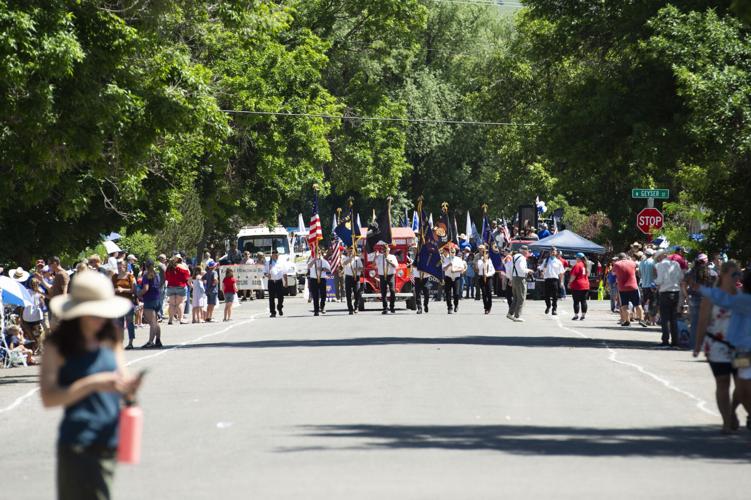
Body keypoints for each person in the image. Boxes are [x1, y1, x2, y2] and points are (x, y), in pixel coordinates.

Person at [40, 271, 142, 500]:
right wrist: (92, 384)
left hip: (110, 439)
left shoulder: (112, 335)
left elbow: (121, 380)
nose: (101, 319)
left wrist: (129, 388)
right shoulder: (58, 345)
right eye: (95, 313)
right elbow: (49, 398)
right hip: (78, 442)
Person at [694, 260, 748, 432]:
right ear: (723, 275)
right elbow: (702, 322)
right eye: (733, 274)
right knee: (722, 381)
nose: (736, 278)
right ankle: (726, 421)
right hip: (716, 346)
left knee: (742, 385)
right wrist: (697, 345)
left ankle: (732, 411)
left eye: (738, 274)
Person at [684, 253, 718, 347]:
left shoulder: (690, 272)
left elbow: (683, 284)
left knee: (694, 322)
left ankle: (693, 344)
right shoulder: (712, 273)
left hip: (694, 298)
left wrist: (686, 296)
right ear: (707, 261)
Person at [654, 250, 683, 347]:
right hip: (676, 292)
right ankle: (675, 341)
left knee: (665, 318)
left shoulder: (659, 265)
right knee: (673, 317)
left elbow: (659, 280)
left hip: (665, 293)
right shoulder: (676, 264)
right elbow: (681, 277)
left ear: (659, 257)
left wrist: (655, 281)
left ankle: (665, 340)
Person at [613, 253, 647, 328]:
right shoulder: (633, 263)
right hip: (633, 286)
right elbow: (636, 270)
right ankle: (641, 320)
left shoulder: (617, 264)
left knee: (624, 305)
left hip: (622, 288)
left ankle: (627, 321)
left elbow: (613, 273)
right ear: (626, 257)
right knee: (638, 304)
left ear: (619, 258)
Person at [111, 260, 137, 350]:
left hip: (128, 302)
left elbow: (133, 290)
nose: (119, 267)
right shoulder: (114, 277)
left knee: (129, 323)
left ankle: (130, 342)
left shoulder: (130, 276)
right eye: (118, 265)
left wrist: (123, 290)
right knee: (119, 324)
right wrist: (114, 290)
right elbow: (110, 288)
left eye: (121, 265)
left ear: (125, 266)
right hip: (118, 303)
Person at [138, 260, 162, 349]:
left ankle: (150, 342)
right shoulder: (157, 275)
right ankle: (158, 340)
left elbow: (146, 288)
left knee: (152, 323)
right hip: (157, 299)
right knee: (155, 322)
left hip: (149, 300)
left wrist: (138, 293)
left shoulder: (146, 275)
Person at [506, 245, 532, 322]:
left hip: (514, 277)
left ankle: (510, 313)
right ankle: (517, 316)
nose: (528, 253)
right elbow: (521, 269)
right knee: (521, 298)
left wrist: (510, 278)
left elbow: (508, 267)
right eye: (527, 251)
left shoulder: (514, 257)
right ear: (524, 251)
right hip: (520, 278)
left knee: (516, 297)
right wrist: (528, 270)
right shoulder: (522, 258)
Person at [371, 245, 398, 315]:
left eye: (386, 250)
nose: (385, 252)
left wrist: (389, 262)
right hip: (382, 276)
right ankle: (385, 308)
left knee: (392, 291)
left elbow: (396, 266)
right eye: (384, 250)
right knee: (383, 292)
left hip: (390, 275)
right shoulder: (379, 257)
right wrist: (375, 256)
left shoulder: (392, 257)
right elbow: (373, 265)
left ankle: (392, 307)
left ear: (389, 250)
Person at [538, 247, 565, 315]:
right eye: (551, 251)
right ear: (549, 253)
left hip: (555, 280)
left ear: (556, 253)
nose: (553, 253)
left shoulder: (558, 262)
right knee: (546, 295)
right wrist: (541, 272)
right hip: (547, 279)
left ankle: (554, 309)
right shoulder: (546, 260)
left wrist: (561, 282)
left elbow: (561, 273)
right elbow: (541, 268)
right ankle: (548, 306)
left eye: (554, 251)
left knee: (555, 296)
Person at [165, 254, 190, 325]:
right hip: (180, 286)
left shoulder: (169, 267)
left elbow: (166, 277)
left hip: (170, 286)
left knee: (172, 304)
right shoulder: (183, 267)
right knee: (180, 303)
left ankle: (170, 320)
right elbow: (187, 277)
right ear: (180, 259)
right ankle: (181, 318)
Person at [307, 247, 330, 316]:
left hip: (322, 279)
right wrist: (314, 260)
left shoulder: (324, 261)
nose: (318, 254)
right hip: (314, 279)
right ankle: (316, 311)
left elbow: (329, 269)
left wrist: (322, 269)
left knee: (323, 295)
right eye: (317, 252)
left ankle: (322, 306)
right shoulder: (311, 259)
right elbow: (308, 266)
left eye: (319, 252)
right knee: (315, 296)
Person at [441, 246, 463, 314]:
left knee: (456, 293)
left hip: (456, 277)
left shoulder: (458, 259)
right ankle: (449, 307)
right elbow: (443, 269)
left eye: (453, 252)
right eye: (451, 252)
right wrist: (448, 265)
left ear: (455, 253)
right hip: (448, 277)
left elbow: (462, 269)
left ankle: (456, 305)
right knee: (448, 293)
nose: (452, 253)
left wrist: (455, 270)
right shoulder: (446, 259)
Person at [342, 247, 363, 315]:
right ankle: (350, 309)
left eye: (352, 251)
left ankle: (356, 307)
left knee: (357, 293)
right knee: (348, 294)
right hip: (348, 277)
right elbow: (344, 264)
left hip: (356, 277)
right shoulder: (345, 258)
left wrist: (357, 269)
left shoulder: (358, 258)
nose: (350, 252)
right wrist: (351, 258)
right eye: (349, 251)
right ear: (347, 251)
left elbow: (361, 268)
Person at [265, 249, 286, 318]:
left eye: (277, 254)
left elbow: (284, 273)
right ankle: (272, 312)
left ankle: (279, 307)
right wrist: (267, 275)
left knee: (281, 297)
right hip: (271, 282)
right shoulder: (268, 263)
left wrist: (286, 282)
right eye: (274, 254)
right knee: (271, 298)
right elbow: (264, 272)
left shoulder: (281, 263)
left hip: (279, 281)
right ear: (272, 255)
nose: (276, 255)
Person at [569, 253, 590, 320]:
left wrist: (569, 283)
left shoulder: (577, 265)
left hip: (577, 285)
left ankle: (576, 315)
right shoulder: (585, 265)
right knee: (583, 301)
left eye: (576, 258)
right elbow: (587, 275)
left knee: (576, 301)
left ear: (578, 258)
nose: (576, 259)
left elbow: (573, 276)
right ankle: (583, 315)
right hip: (585, 285)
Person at [639, 248, 658, 325]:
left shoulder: (641, 263)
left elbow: (639, 274)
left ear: (646, 254)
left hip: (644, 285)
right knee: (652, 302)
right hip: (652, 285)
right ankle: (652, 320)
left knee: (645, 302)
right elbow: (656, 273)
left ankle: (645, 319)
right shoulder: (653, 262)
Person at [476, 245, 495, 314]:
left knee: (489, 293)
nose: (485, 255)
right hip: (482, 277)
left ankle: (489, 306)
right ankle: (485, 308)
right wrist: (483, 262)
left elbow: (493, 270)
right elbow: (480, 269)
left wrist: (488, 274)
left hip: (489, 278)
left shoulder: (490, 261)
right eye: (484, 253)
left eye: (486, 253)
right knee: (484, 293)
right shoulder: (479, 261)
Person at [156, 254, 168, 321]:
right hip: (161, 285)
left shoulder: (157, 264)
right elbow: (166, 273)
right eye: (165, 259)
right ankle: (160, 315)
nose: (166, 260)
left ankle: (160, 314)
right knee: (160, 300)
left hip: (159, 285)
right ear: (161, 259)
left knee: (160, 300)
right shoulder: (161, 265)